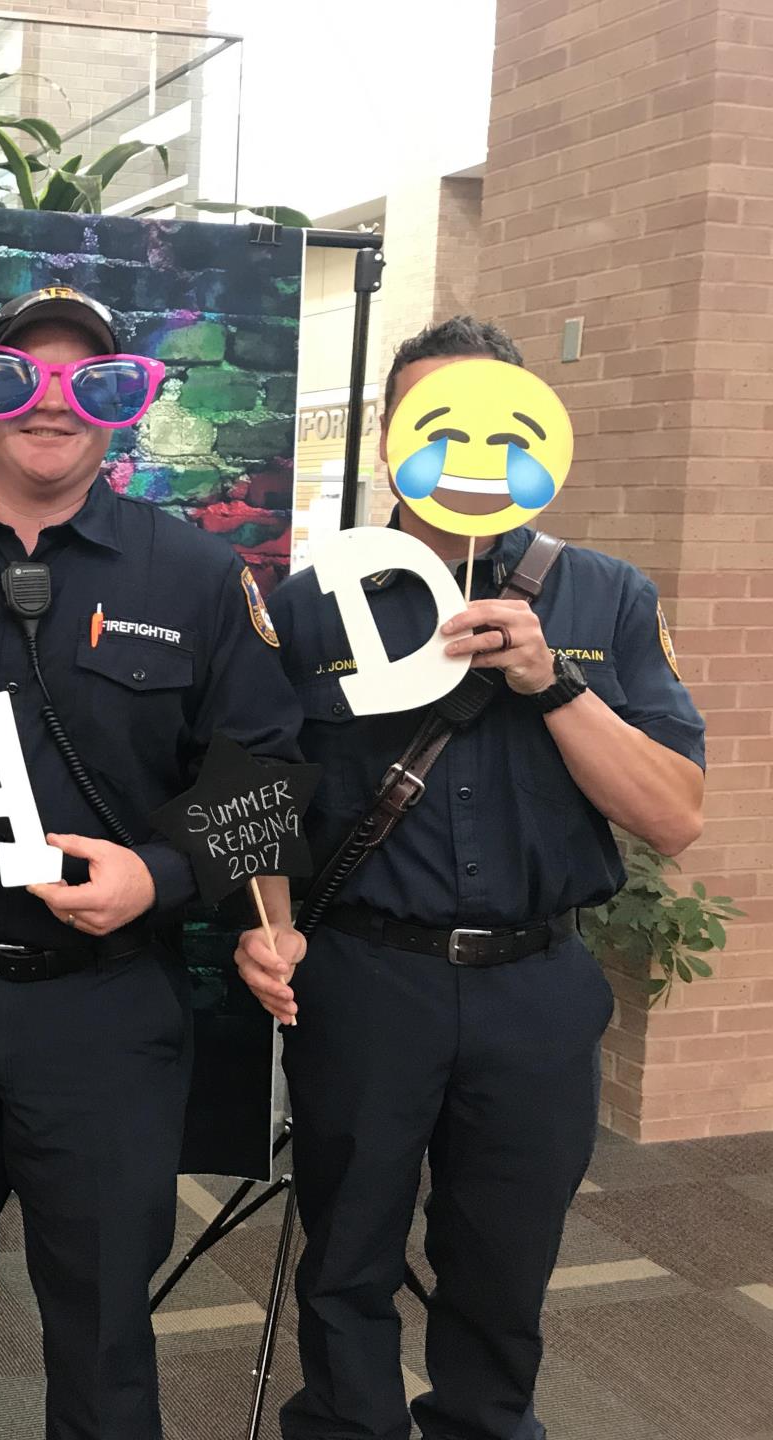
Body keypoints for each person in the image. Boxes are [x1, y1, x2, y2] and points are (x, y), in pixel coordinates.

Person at [0, 285, 305, 1440]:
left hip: (106, 1009)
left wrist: (160, 878)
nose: (52, 405)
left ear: (122, 408)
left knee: (104, 1332)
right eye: (19, 376)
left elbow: (265, 771)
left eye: (91, 382)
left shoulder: (193, 579)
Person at [235, 315, 706, 1440]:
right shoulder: (306, 603)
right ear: (391, 437)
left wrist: (552, 682)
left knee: (504, 1263)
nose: (471, 454)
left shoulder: (605, 597)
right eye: (435, 423)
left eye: (499, 426)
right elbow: (240, 790)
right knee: (343, 1258)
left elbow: (675, 815)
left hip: (536, 987)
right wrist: (266, 925)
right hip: (363, 979)